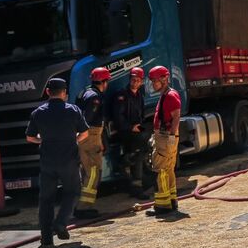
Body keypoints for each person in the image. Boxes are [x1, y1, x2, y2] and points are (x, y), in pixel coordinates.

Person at [26, 78, 88, 248]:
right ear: (64, 93)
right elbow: (85, 132)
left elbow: (30, 137)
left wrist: (42, 140)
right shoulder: (73, 110)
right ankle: (61, 222)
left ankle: (46, 239)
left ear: (47, 92)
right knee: (73, 191)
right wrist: (74, 140)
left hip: (47, 162)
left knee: (46, 200)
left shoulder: (38, 113)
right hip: (68, 160)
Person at [146, 66, 183, 218]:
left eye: (155, 81)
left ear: (164, 79)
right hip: (164, 136)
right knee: (168, 170)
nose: (153, 84)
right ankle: (171, 201)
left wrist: (171, 138)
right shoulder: (166, 95)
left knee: (160, 170)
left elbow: (176, 117)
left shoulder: (170, 96)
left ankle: (162, 206)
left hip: (165, 136)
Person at [74, 67, 110, 219]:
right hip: (90, 137)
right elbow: (88, 120)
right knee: (94, 172)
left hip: (90, 137)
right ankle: (83, 208)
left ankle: (83, 206)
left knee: (87, 172)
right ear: (104, 81)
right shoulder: (95, 97)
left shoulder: (84, 92)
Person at [113, 67, 149, 198]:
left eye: (138, 80)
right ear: (130, 80)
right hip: (126, 131)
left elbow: (142, 113)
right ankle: (136, 188)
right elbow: (118, 116)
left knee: (147, 143)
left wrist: (140, 126)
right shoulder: (122, 95)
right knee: (139, 151)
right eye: (133, 80)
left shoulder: (139, 95)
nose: (135, 82)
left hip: (136, 128)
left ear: (141, 82)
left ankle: (127, 160)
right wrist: (130, 127)